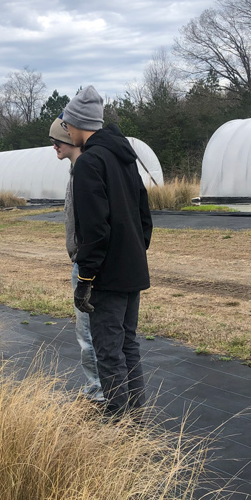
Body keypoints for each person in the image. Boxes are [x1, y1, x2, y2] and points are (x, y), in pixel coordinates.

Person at [63, 86, 153, 416]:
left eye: (68, 124)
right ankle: (137, 412)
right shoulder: (124, 157)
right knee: (128, 343)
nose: (67, 131)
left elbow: (94, 230)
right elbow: (145, 217)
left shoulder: (90, 163)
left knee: (108, 350)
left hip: (107, 277)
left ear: (77, 124)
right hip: (132, 271)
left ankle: (116, 424)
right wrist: (133, 251)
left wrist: (86, 277)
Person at [49, 113, 105, 403]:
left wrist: (85, 271)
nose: (54, 146)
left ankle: (97, 393)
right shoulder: (75, 172)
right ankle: (102, 389)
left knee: (89, 335)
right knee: (91, 335)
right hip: (82, 262)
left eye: (57, 139)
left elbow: (95, 226)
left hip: (87, 265)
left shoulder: (85, 170)